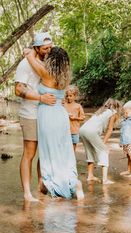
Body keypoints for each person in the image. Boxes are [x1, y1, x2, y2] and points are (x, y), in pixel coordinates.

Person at [24, 46, 84, 200]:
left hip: (48, 115)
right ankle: (72, 182)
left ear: (51, 60)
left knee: (49, 151)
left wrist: (31, 50)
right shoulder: (65, 78)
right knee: (63, 152)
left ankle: (53, 184)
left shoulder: (46, 74)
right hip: (61, 115)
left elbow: (29, 56)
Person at [15, 32, 55, 202]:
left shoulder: (47, 62)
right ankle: (27, 193)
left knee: (44, 152)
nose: (49, 50)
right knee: (29, 153)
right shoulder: (25, 64)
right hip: (30, 114)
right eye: (45, 48)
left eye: (50, 47)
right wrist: (40, 98)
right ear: (36, 48)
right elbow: (18, 90)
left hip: (46, 113)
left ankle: (41, 185)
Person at [79, 98, 122, 184]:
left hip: (82, 130)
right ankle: (105, 180)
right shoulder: (113, 113)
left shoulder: (100, 111)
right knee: (104, 151)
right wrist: (103, 144)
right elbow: (109, 130)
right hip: (91, 132)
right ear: (116, 107)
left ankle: (90, 176)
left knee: (90, 152)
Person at [64, 85, 85, 151]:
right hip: (64, 130)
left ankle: (72, 160)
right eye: (67, 96)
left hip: (74, 131)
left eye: (70, 96)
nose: (68, 97)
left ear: (75, 96)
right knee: (65, 148)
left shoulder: (78, 106)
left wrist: (75, 118)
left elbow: (83, 117)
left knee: (73, 149)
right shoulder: (63, 105)